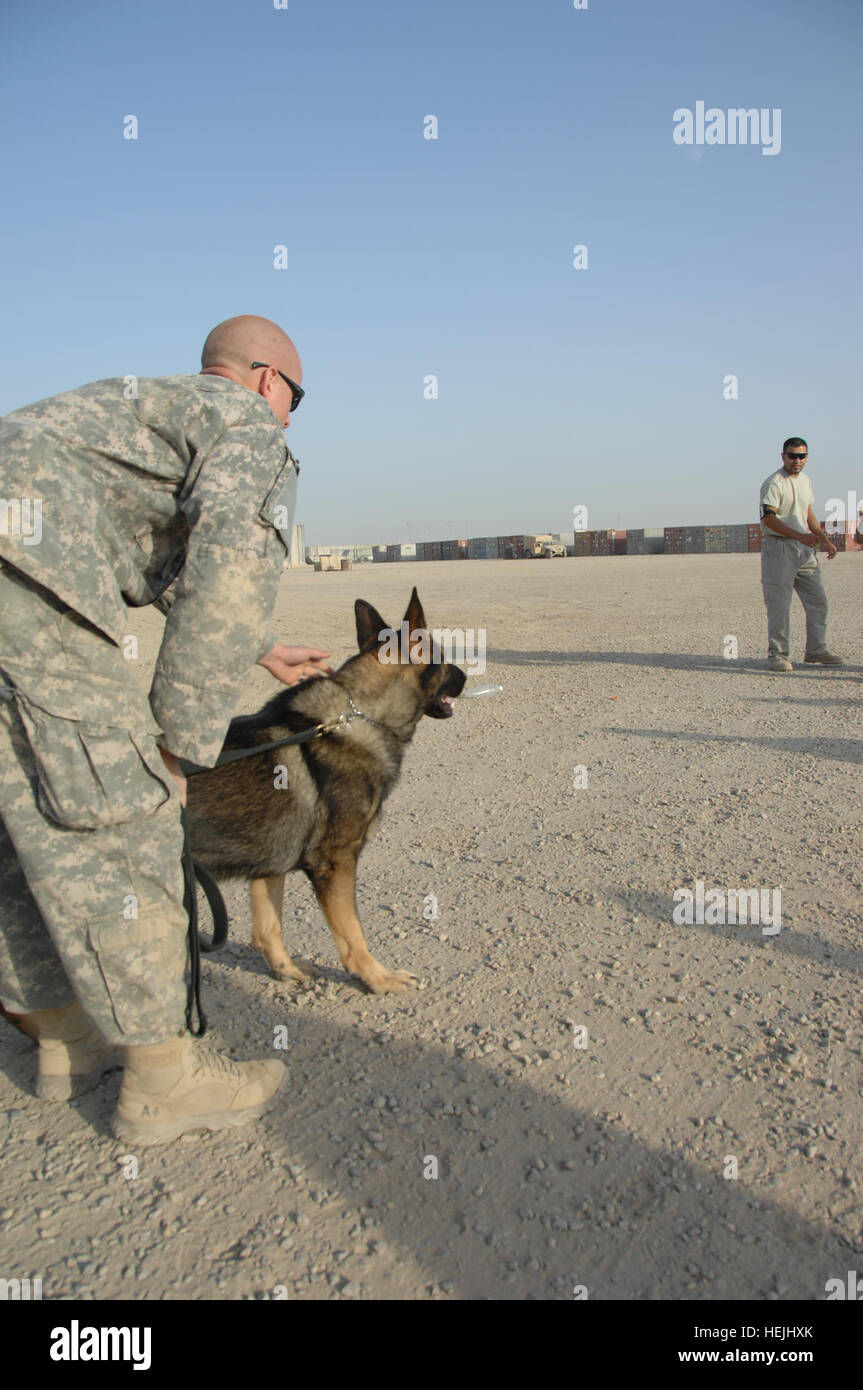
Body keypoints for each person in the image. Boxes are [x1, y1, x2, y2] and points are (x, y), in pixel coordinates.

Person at [0, 315, 332, 1146]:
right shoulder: (247, 423)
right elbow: (229, 565)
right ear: (265, 379)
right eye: (298, 394)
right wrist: (180, 750)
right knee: (127, 819)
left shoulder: (131, 410)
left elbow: (151, 552)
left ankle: (64, 1041)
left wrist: (257, 649)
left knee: (21, 812)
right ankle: (165, 1083)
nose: (292, 413)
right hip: (28, 578)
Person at [759, 437, 843, 673]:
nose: (797, 460)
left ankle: (816, 649)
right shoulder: (774, 483)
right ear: (783, 456)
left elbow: (807, 512)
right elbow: (768, 519)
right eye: (792, 456)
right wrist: (799, 535)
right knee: (780, 605)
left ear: (807, 457)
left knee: (818, 601)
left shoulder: (805, 480)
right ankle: (778, 654)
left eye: (801, 456)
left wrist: (824, 539)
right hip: (779, 549)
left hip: (804, 549)